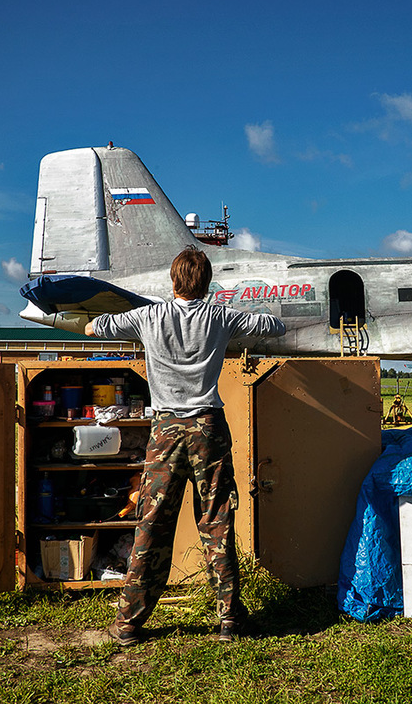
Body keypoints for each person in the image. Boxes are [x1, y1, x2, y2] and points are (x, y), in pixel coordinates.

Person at [85, 246, 285, 645]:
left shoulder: (149, 315)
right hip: (208, 428)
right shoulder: (221, 315)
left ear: (173, 281)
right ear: (208, 282)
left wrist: (91, 322)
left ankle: (128, 623)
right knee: (216, 522)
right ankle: (229, 620)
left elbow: (96, 329)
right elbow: (273, 327)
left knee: (153, 523)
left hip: (165, 431)